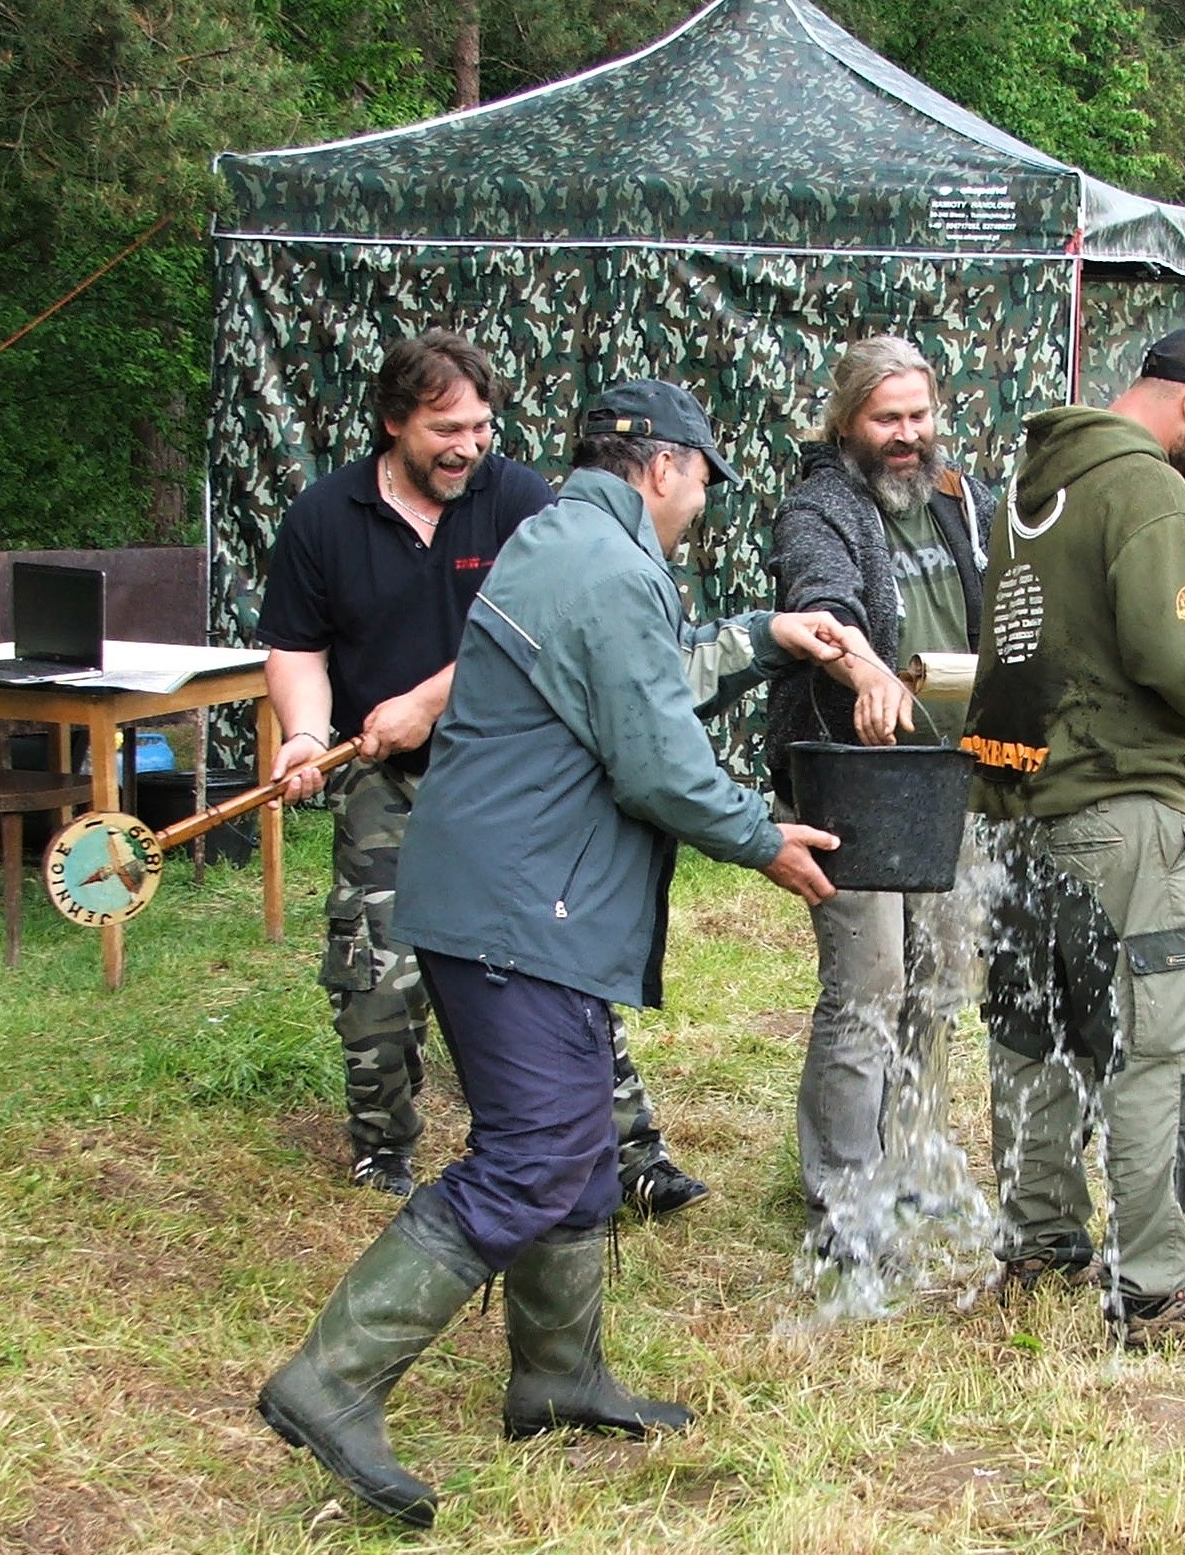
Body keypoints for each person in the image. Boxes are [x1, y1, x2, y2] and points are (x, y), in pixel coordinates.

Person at [257, 378, 875, 1528]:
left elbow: (637, 682)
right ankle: (331, 1379)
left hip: (515, 894)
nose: (701, 502)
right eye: (702, 479)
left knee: (582, 1144)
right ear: (663, 465)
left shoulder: (569, 541)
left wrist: (761, 634)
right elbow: (656, 760)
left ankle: (556, 1374)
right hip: (515, 907)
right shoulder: (605, 562)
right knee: (535, 1152)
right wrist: (763, 836)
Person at [257, 331, 707, 1216]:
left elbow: (549, 631)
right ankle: (383, 1146)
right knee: (375, 975)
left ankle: (631, 1156)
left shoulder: (524, 504)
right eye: (445, 429)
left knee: (553, 970)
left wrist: (428, 700)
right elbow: (298, 647)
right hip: (390, 783)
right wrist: (307, 734)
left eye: (480, 427)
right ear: (394, 423)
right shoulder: (322, 517)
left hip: (513, 785)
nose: (467, 446)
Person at [963, 322, 1185, 1350]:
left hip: (1015, 804)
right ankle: (1155, 1291)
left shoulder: (1033, 482)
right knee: (1158, 1045)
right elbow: (1176, 653)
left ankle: (1040, 1243)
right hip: (1119, 803)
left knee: (1034, 1033)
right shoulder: (1144, 486)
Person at [765, 334, 997, 1266]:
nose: (906, 435)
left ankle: (910, 1162)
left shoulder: (959, 500)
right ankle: (845, 1200)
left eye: (919, 415)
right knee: (869, 984)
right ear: (846, 422)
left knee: (939, 977)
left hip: (954, 773)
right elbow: (823, 606)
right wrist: (865, 671)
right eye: (886, 418)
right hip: (857, 777)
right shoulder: (817, 509)